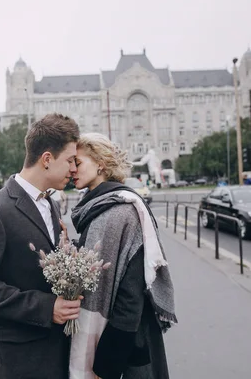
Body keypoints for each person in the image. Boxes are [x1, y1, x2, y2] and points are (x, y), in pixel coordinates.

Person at [0, 113, 82, 379]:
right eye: (70, 160)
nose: (74, 169)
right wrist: (45, 307)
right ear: (47, 159)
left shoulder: (50, 203)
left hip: (58, 353)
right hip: (23, 362)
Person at [69, 133, 177, 379]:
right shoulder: (95, 207)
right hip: (110, 337)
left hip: (126, 346)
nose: (72, 169)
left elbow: (131, 296)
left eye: (78, 162)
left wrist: (107, 364)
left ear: (100, 164)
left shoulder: (124, 211)